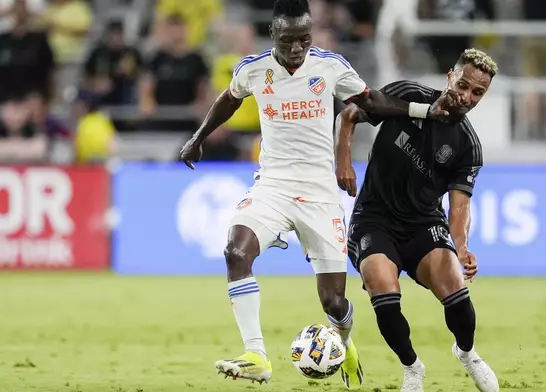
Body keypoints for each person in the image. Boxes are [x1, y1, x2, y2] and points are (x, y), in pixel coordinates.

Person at [178, 0, 444, 388]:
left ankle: (344, 342)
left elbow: (370, 100)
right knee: (236, 253)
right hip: (272, 185)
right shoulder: (253, 69)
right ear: (273, 35)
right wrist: (198, 138)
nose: (297, 48)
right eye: (288, 40)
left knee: (334, 302)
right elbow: (229, 100)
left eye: (304, 38)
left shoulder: (330, 66)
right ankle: (256, 355)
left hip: (320, 194)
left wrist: (423, 112)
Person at [335, 48, 500, 392]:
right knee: (383, 287)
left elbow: (458, 207)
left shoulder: (467, 146)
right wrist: (344, 160)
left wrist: (463, 247)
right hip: (374, 219)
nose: (467, 96)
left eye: (477, 93)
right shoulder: (408, 96)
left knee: (457, 290)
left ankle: (466, 353)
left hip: (424, 224)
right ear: (449, 76)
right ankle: (412, 367)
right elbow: (349, 114)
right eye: (464, 85)